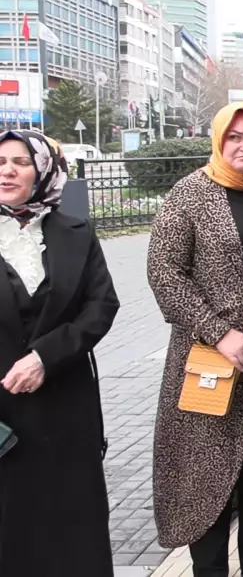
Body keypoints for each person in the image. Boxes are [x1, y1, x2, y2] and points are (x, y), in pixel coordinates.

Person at [148, 103, 243, 577]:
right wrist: (219, 332)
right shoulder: (190, 193)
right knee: (204, 472)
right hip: (206, 358)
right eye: (235, 137)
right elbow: (165, 273)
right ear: (219, 139)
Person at [0, 130, 120, 576]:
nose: (8, 171)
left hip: (65, 401)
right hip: (3, 407)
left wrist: (44, 358)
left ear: (42, 171)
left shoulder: (76, 232)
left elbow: (101, 305)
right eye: (0, 162)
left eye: (21, 162)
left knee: (72, 520)